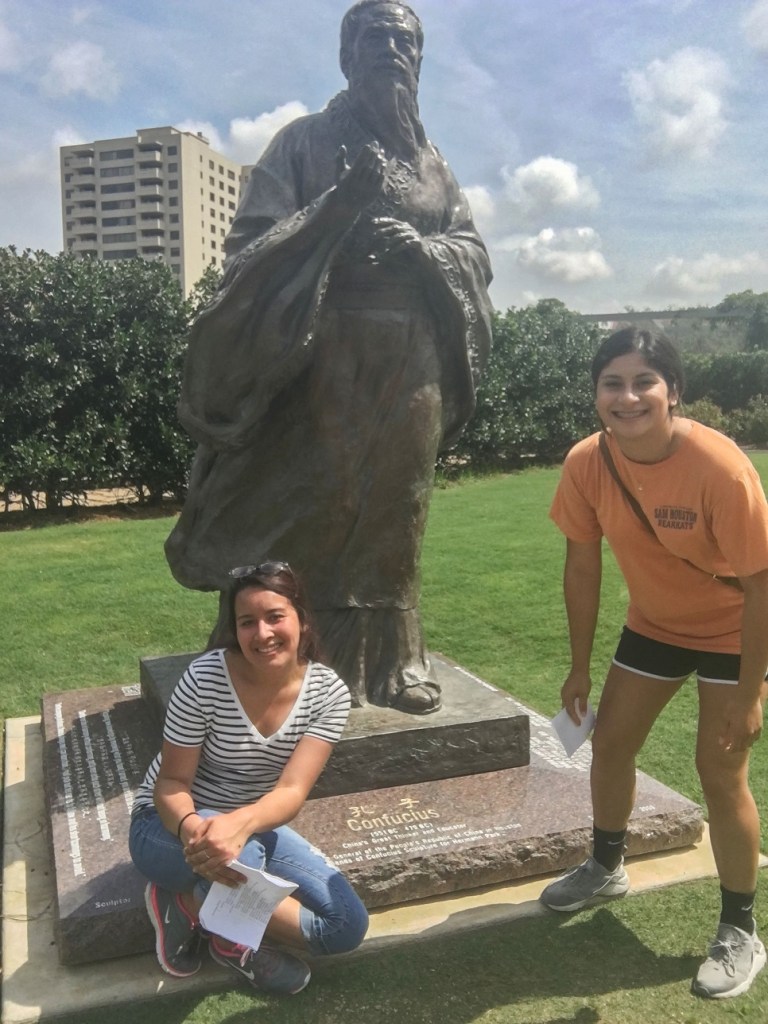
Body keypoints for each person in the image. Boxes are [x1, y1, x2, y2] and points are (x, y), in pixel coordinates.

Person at [164, 0, 493, 715]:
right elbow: (249, 248)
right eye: (374, 38)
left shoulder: (435, 166)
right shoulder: (303, 143)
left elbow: (472, 252)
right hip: (315, 357)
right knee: (303, 510)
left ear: (420, 59)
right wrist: (339, 208)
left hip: (412, 362)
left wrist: (428, 253)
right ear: (347, 56)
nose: (390, 51)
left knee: (393, 512)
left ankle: (395, 664)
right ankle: (257, 655)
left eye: (403, 41)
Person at [540, 326, 768, 1000]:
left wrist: (751, 689)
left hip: (733, 629)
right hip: (655, 626)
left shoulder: (720, 467)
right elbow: (582, 564)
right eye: (612, 382)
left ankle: (740, 928)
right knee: (609, 745)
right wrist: (579, 667)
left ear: (673, 392)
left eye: (645, 381)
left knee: (720, 772)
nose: (628, 396)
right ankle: (606, 865)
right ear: (596, 394)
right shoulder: (588, 462)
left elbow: (760, 584)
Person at [129, 561, 368, 996]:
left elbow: (292, 791)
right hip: (164, 826)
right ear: (234, 630)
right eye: (247, 622)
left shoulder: (328, 693)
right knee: (244, 851)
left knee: (346, 927)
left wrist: (239, 825)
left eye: (275, 616)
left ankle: (190, 901)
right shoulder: (204, 679)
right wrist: (198, 834)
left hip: (251, 828)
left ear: (301, 618)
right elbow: (170, 786)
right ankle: (229, 939)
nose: (262, 634)